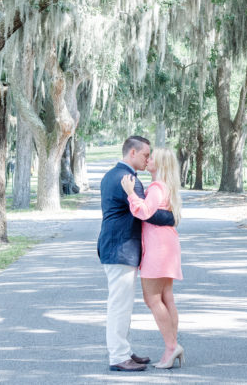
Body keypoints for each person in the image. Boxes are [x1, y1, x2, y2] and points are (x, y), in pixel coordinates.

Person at [97, 136, 176, 372]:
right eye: (145, 155)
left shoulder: (114, 174)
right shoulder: (127, 179)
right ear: (132, 153)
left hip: (117, 248)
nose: (147, 159)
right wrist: (172, 218)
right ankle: (119, 356)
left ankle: (123, 349)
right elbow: (147, 213)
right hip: (120, 249)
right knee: (119, 306)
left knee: (123, 304)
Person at [119, 147, 184, 369]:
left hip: (158, 248)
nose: (148, 160)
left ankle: (171, 346)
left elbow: (144, 212)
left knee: (153, 300)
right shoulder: (166, 186)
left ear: (161, 164)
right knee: (167, 298)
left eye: (152, 158)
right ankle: (173, 345)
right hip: (168, 245)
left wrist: (130, 193)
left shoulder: (157, 187)